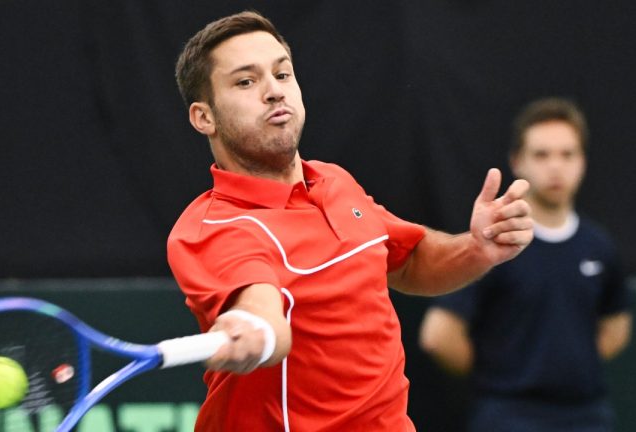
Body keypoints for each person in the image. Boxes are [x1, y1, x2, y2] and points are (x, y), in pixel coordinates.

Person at [167, 11, 533, 431]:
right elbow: (262, 312)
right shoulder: (213, 228)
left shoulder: (335, 183)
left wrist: (477, 249)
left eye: (282, 74)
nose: (273, 92)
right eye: (246, 82)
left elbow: (410, 261)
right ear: (204, 117)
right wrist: (254, 331)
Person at [419, 97, 633, 432]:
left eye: (567, 154)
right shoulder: (493, 244)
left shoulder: (599, 246)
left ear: (583, 162)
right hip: (509, 416)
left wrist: (569, 366)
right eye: (542, 154)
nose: (555, 166)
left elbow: (617, 324)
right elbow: (439, 335)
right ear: (517, 162)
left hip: (587, 416)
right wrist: (504, 378)